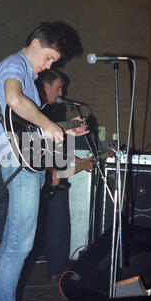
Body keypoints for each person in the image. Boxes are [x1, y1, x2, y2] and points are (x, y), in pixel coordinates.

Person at [0, 22, 89, 301]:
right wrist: (47, 123)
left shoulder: (29, 78)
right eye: (48, 58)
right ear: (33, 43)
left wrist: (62, 131)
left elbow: (26, 130)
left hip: (26, 161)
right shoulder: (12, 66)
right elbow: (14, 101)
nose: (49, 66)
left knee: (19, 242)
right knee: (18, 243)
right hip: (16, 163)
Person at [35, 69, 93, 280]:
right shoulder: (36, 110)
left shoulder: (54, 112)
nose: (62, 91)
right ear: (46, 87)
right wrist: (51, 170)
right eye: (59, 87)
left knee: (60, 223)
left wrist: (80, 162)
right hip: (38, 174)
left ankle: (57, 269)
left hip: (55, 174)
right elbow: (30, 146)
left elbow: (59, 148)